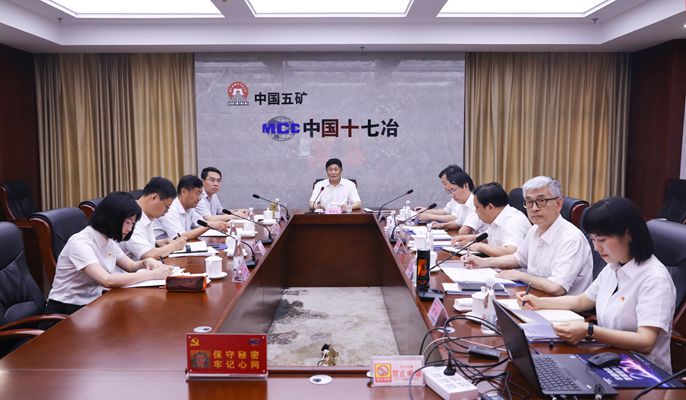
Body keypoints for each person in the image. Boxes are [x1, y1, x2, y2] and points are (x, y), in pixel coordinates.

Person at [518, 197, 676, 373]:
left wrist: (590, 331)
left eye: (602, 240)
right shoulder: (614, 266)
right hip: (609, 357)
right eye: (593, 240)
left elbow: (646, 342)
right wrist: (539, 302)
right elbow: (582, 301)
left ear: (628, 235)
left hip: (644, 372)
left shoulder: (654, 278)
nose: (596, 248)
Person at [45, 192, 173, 315]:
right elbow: (107, 280)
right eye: (127, 222)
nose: (129, 229)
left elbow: (131, 266)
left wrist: (146, 262)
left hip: (93, 305)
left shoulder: (107, 239)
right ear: (112, 218)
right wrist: (152, 275)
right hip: (67, 311)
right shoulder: (80, 243)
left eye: (132, 223)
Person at [464, 176, 592, 295]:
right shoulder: (535, 229)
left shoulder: (570, 238)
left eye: (541, 201)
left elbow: (556, 287)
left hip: (561, 306)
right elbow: (518, 259)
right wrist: (483, 262)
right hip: (534, 296)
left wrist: (521, 276)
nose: (534, 208)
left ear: (558, 204)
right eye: (529, 202)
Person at [451, 182, 530, 256]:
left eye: (477, 207)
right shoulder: (498, 217)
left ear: (490, 207)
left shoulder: (513, 221)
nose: (476, 212)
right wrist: (470, 238)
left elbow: (511, 251)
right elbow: (488, 237)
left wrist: (480, 246)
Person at [119, 177, 187, 260]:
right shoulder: (131, 216)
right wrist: (174, 246)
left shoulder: (147, 214)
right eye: (167, 207)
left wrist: (157, 243)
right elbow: (147, 255)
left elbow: (136, 243)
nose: (167, 211)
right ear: (154, 197)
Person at [153, 175, 228, 240]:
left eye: (201, 194)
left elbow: (202, 224)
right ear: (183, 192)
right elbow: (179, 237)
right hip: (160, 249)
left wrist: (220, 224)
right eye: (197, 193)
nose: (199, 198)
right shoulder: (170, 209)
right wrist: (210, 226)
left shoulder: (189, 209)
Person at [432, 169, 482, 234]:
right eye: (450, 191)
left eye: (454, 190)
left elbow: (464, 232)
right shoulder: (463, 203)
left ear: (465, 186)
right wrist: (441, 225)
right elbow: (457, 223)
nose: (452, 195)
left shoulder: (475, 203)